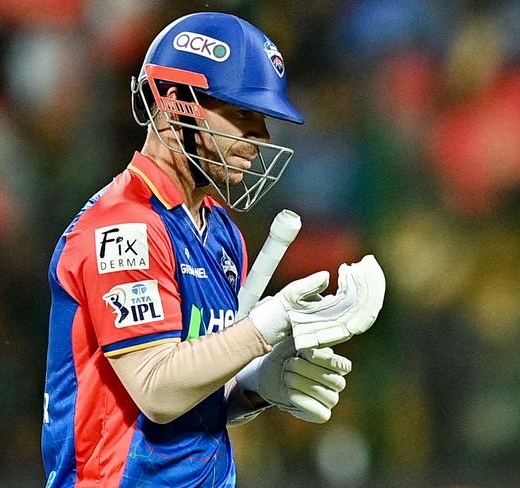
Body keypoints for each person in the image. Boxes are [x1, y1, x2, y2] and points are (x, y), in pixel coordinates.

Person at [42, 11, 384, 488]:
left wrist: (258, 387)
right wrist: (266, 325)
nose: (261, 136)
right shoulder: (123, 227)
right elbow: (157, 389)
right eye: (242, 114)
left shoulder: (223, 233)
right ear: (174, 101)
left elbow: (199, 398)